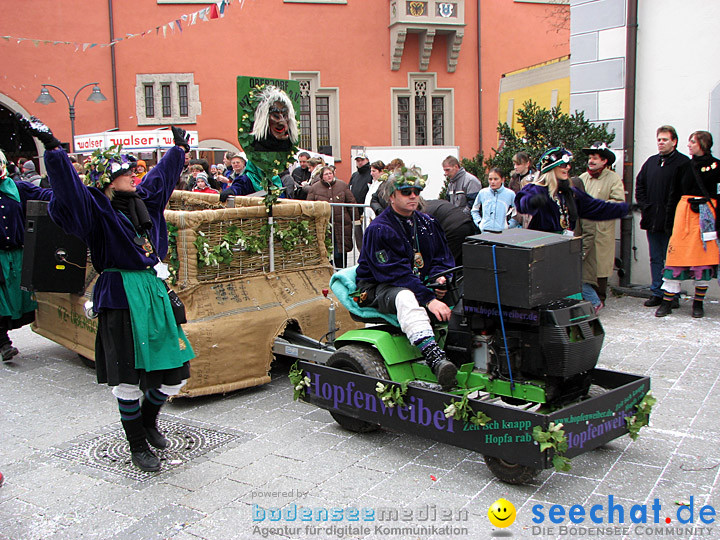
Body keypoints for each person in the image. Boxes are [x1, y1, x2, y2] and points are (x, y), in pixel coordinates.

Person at [20, 115, 194, 472]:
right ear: (108, 181)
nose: (134, 174)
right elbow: (69, 191)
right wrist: (53, 150)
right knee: (128, 378)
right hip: (119, 296)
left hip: (154, 292)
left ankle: (148, 421)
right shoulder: (95, 211)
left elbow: (161, 177)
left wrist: (179, 149)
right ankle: (137, 446)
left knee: (176, 374)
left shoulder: (144, 201)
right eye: (125, 171)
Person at [355, 166, 457, 390]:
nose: (413, 196)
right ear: (391, 196)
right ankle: (435, 359)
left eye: (416, 191)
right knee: (405, 296)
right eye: (406, 191)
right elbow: (395, 273)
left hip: (417, 283)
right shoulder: (379, 229)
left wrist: (440, 280)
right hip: (374, 288)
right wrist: (429, 298)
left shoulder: (428, 223)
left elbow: (443, 257)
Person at [655, 131, 720, 319]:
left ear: (703, 144)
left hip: (706, 219)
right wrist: (669, 222)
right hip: (684, 217)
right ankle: (667, 302)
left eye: (693, 141)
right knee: (676, 259)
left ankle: (698, 304)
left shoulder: (717, 167)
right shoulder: (684, 167)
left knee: (702, 262)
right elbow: (673, 195)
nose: (689, 144)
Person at [0, 147, 52, 361]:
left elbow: (45, 195)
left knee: (21, 299)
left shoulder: (17, 188)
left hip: (18, 254)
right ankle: (4, 344)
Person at [515, 147, 630, 235]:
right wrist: (532, 202)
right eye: (563, 165)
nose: (568, 167)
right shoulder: (538, 189)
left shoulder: (569, 191)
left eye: (569, 164)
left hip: (565, 245)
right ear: (551, 168)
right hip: (542, 246)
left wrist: (626, 208)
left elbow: (594, 206)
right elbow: (522, 203)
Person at [635, 125, 689, 308]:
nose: (661, 143)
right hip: (653, 220)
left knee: (672, 260)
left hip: (673, 222)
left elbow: (686, 192)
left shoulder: (683, 163)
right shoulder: (651, 162)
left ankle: (671, 295)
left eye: (665, 139)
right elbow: (640, 185)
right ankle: (657, 292)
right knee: (655, 258)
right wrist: (645, 206)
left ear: (674, 142)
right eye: (659, 139)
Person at [577, 142, 625, 305]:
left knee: (601, 264)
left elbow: (618, 202)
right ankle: (586, 297)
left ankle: (600, 297)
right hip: (583, 229)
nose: (591, 161)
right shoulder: (583, 178)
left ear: (604, 161)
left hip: (601, 229)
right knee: (584, 263)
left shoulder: (613, 178)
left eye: (595, 158)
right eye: (590, 158)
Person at [306, 166, 356, 268]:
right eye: (326, 174)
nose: (329, 176)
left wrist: (355, 218)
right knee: (326, 250)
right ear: (321, 176)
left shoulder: (342, 185)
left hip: (341, 224)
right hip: (324, 225)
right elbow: (309, 205)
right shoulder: (315, 188)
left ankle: (341, 271)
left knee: (341, 250)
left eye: (330, 173)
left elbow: (351, 202)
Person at [420, 198, 478, 265]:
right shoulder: (432, 204)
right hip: (467, 224)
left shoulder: (421, 212)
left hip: (454, 228)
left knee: (445, 262)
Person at [470, 168, 517, 233]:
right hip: (485, 232)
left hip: (502, 232)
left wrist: (509, 225)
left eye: (496, 179)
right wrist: (479, 223)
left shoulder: (510, 194)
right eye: (490, 179)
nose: (492, 182)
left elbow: (516, 213)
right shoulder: (482, 193)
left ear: (502, 179)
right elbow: (474, 210)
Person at [349, 152, 372, 251]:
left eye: (362, 160)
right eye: (358, 161)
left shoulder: (371, 174)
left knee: (369, 239)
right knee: (359, 240)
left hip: (367, 213)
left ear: (367, 160)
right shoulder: (354, 175)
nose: (360, 162)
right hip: (356, 213)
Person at [363, 160, 386, 228]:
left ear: (382, 171)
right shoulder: (373, 183)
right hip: (368, 217)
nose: (371, 173)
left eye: (374, 171)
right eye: (371, 171)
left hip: (375, 217)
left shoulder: (383, 185)